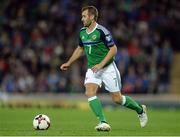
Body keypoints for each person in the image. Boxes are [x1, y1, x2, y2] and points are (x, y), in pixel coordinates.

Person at [60, 5, 148, 131]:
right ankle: (103, 122)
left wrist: (101, 65)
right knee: (89, 92)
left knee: (117, 99)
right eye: (82, 16)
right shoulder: (82, 32)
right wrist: (69, 62)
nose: (82, 19)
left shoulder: (102, 31)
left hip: (107, 68)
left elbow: (114, 49)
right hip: (93, 69)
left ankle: (140, 110)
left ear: (92, 17)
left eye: (84, 16)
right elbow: (80, 48)